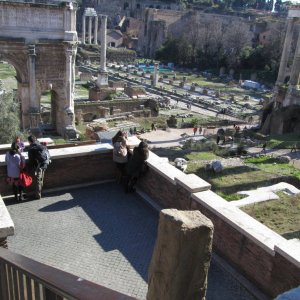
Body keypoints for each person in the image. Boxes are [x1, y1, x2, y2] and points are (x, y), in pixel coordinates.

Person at [27, 135, 50, 200]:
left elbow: (31, 160)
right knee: (41, 179)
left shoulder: (31, 149)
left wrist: (30, 167)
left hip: (38, 166)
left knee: (38, 180)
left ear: (29, 141)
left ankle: (38, 195)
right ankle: (40, 192)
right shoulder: (41, 145)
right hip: (45, 163)